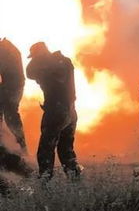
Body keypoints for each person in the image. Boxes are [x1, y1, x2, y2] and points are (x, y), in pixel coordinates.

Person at [26, 42, 80, 179]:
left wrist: (41, 59)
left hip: (56, 111)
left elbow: (30, 72)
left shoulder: (48, 65)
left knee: (45, 150)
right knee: (66, 150)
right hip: (70, 111)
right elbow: (31, 72)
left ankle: (46, 184)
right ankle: (76, 182)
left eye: (35, 57)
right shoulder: (64, 61)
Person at [0, 38, 27, 153]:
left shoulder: (4, 50)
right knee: (11, 116)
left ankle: (22, 148)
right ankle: (20, 147)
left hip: (11, 87)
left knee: (11, 117)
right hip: (13, 86)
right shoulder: (8, 47)